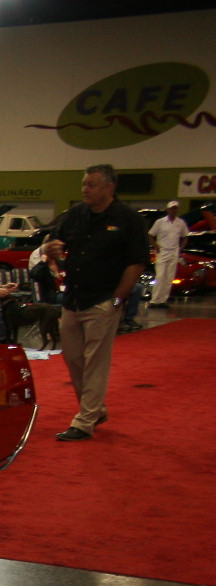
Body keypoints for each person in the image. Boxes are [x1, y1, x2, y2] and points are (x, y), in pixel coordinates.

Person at [50, 163, 148, 441]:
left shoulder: (128, 219)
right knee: (73, 359)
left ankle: (84, 420)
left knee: (95, 361)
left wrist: (118, 298)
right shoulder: (75, 215)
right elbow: (55, 240)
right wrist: (52, 247)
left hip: (103, 300)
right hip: (73, 299)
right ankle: (95, 409)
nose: (85, 189)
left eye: (91, 185)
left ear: (109, 187)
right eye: (84, 184)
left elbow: (136, 261)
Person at [147, 200, 190, 306]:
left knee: (169, 277)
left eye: (175, 208)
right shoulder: (160, 222)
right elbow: (150, 234)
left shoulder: (180, 223)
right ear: (168, 210)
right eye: (172, 208)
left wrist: (180, 249)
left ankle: (163, 300)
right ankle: (155, 300)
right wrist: (156, 246)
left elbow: (185, 236)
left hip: (174, 252)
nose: (174, 210)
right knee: (160, 276)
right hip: (162, 251)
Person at [30, 238, 65, 304]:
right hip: (51, 296)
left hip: (63, 292)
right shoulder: (43, 266)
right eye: (58, 250)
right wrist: (42, 262)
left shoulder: (60, 263)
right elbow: (33, 275)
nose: (61, 252)